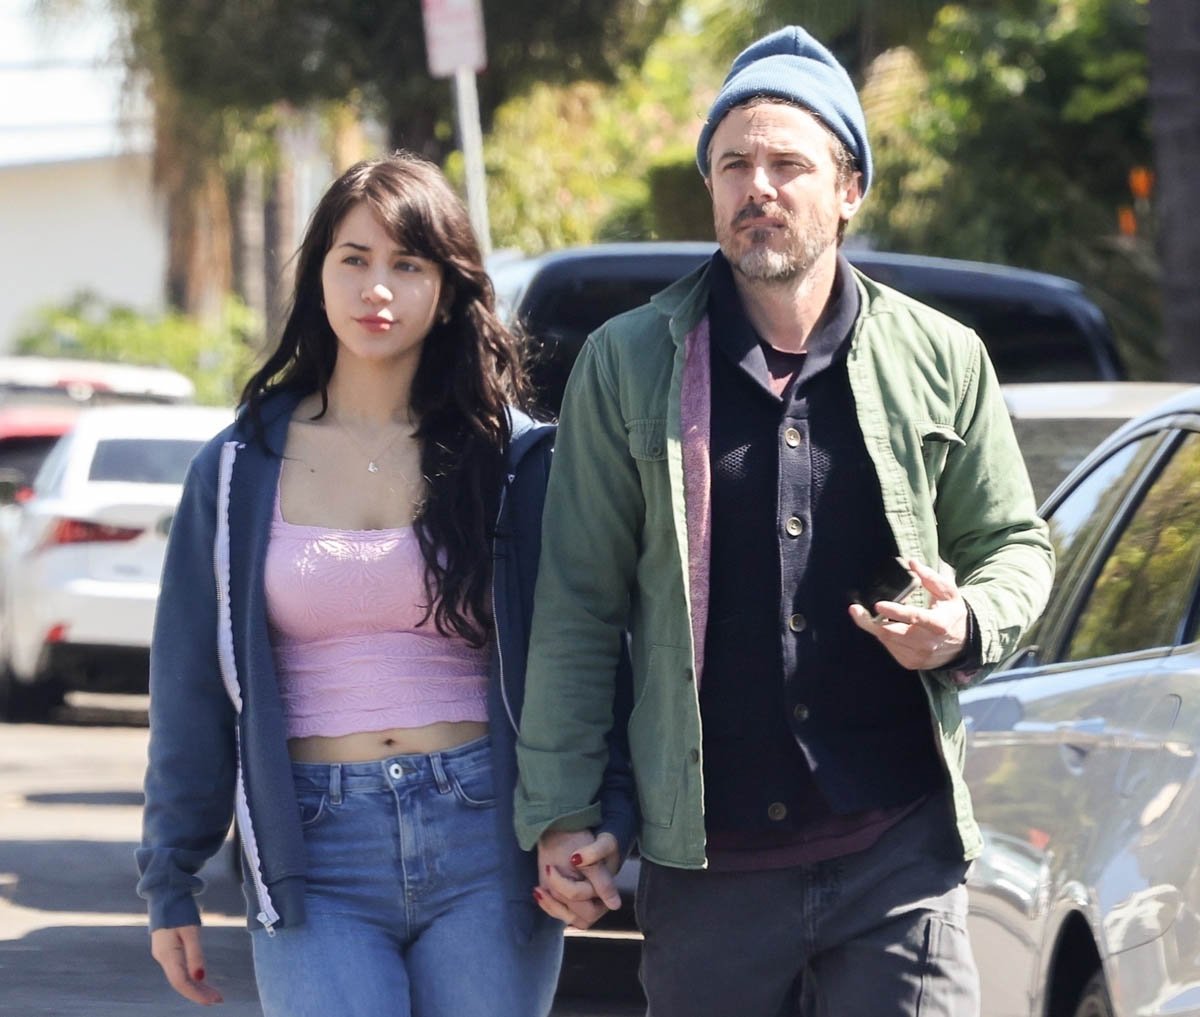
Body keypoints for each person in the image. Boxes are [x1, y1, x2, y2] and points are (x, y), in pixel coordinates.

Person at [515, 25, 1054, 1017]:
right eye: (734, 165)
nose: (757, 185)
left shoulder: (943, 357)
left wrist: (965, 624)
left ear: (849, 189)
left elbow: (1014, 545)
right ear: (712, 190)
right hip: (710, 865)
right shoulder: (628, 363)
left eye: (787, 164)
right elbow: (579, 608)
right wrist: (563, 813)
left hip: (898, 852)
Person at [136, 152, 634, 1016]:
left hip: (487, 833)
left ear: (448, 286)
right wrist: (170, 876)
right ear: (318, 274)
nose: (379, 288)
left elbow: (590, 657)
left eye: (409, 264)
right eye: (354, 258)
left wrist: (606, 821)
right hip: (312, 847)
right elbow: (189, 685)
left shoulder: (514, 462)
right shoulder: (235, 469)